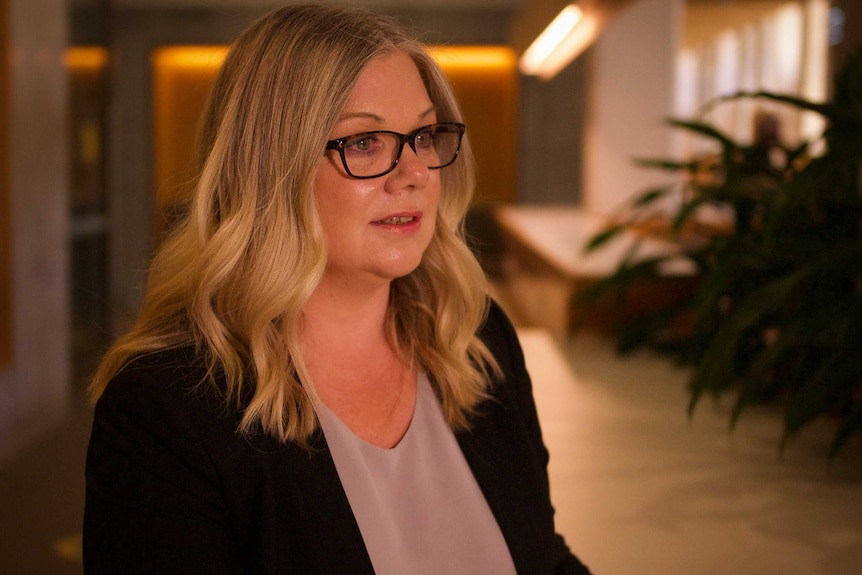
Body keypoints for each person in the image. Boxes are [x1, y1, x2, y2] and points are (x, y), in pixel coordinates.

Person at [83, 4, 592, 574]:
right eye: (365, 142)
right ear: (270, 171)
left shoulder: (477, 339)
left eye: (423, 135)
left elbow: (544, 560)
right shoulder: (166, 411)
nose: (414, 173)